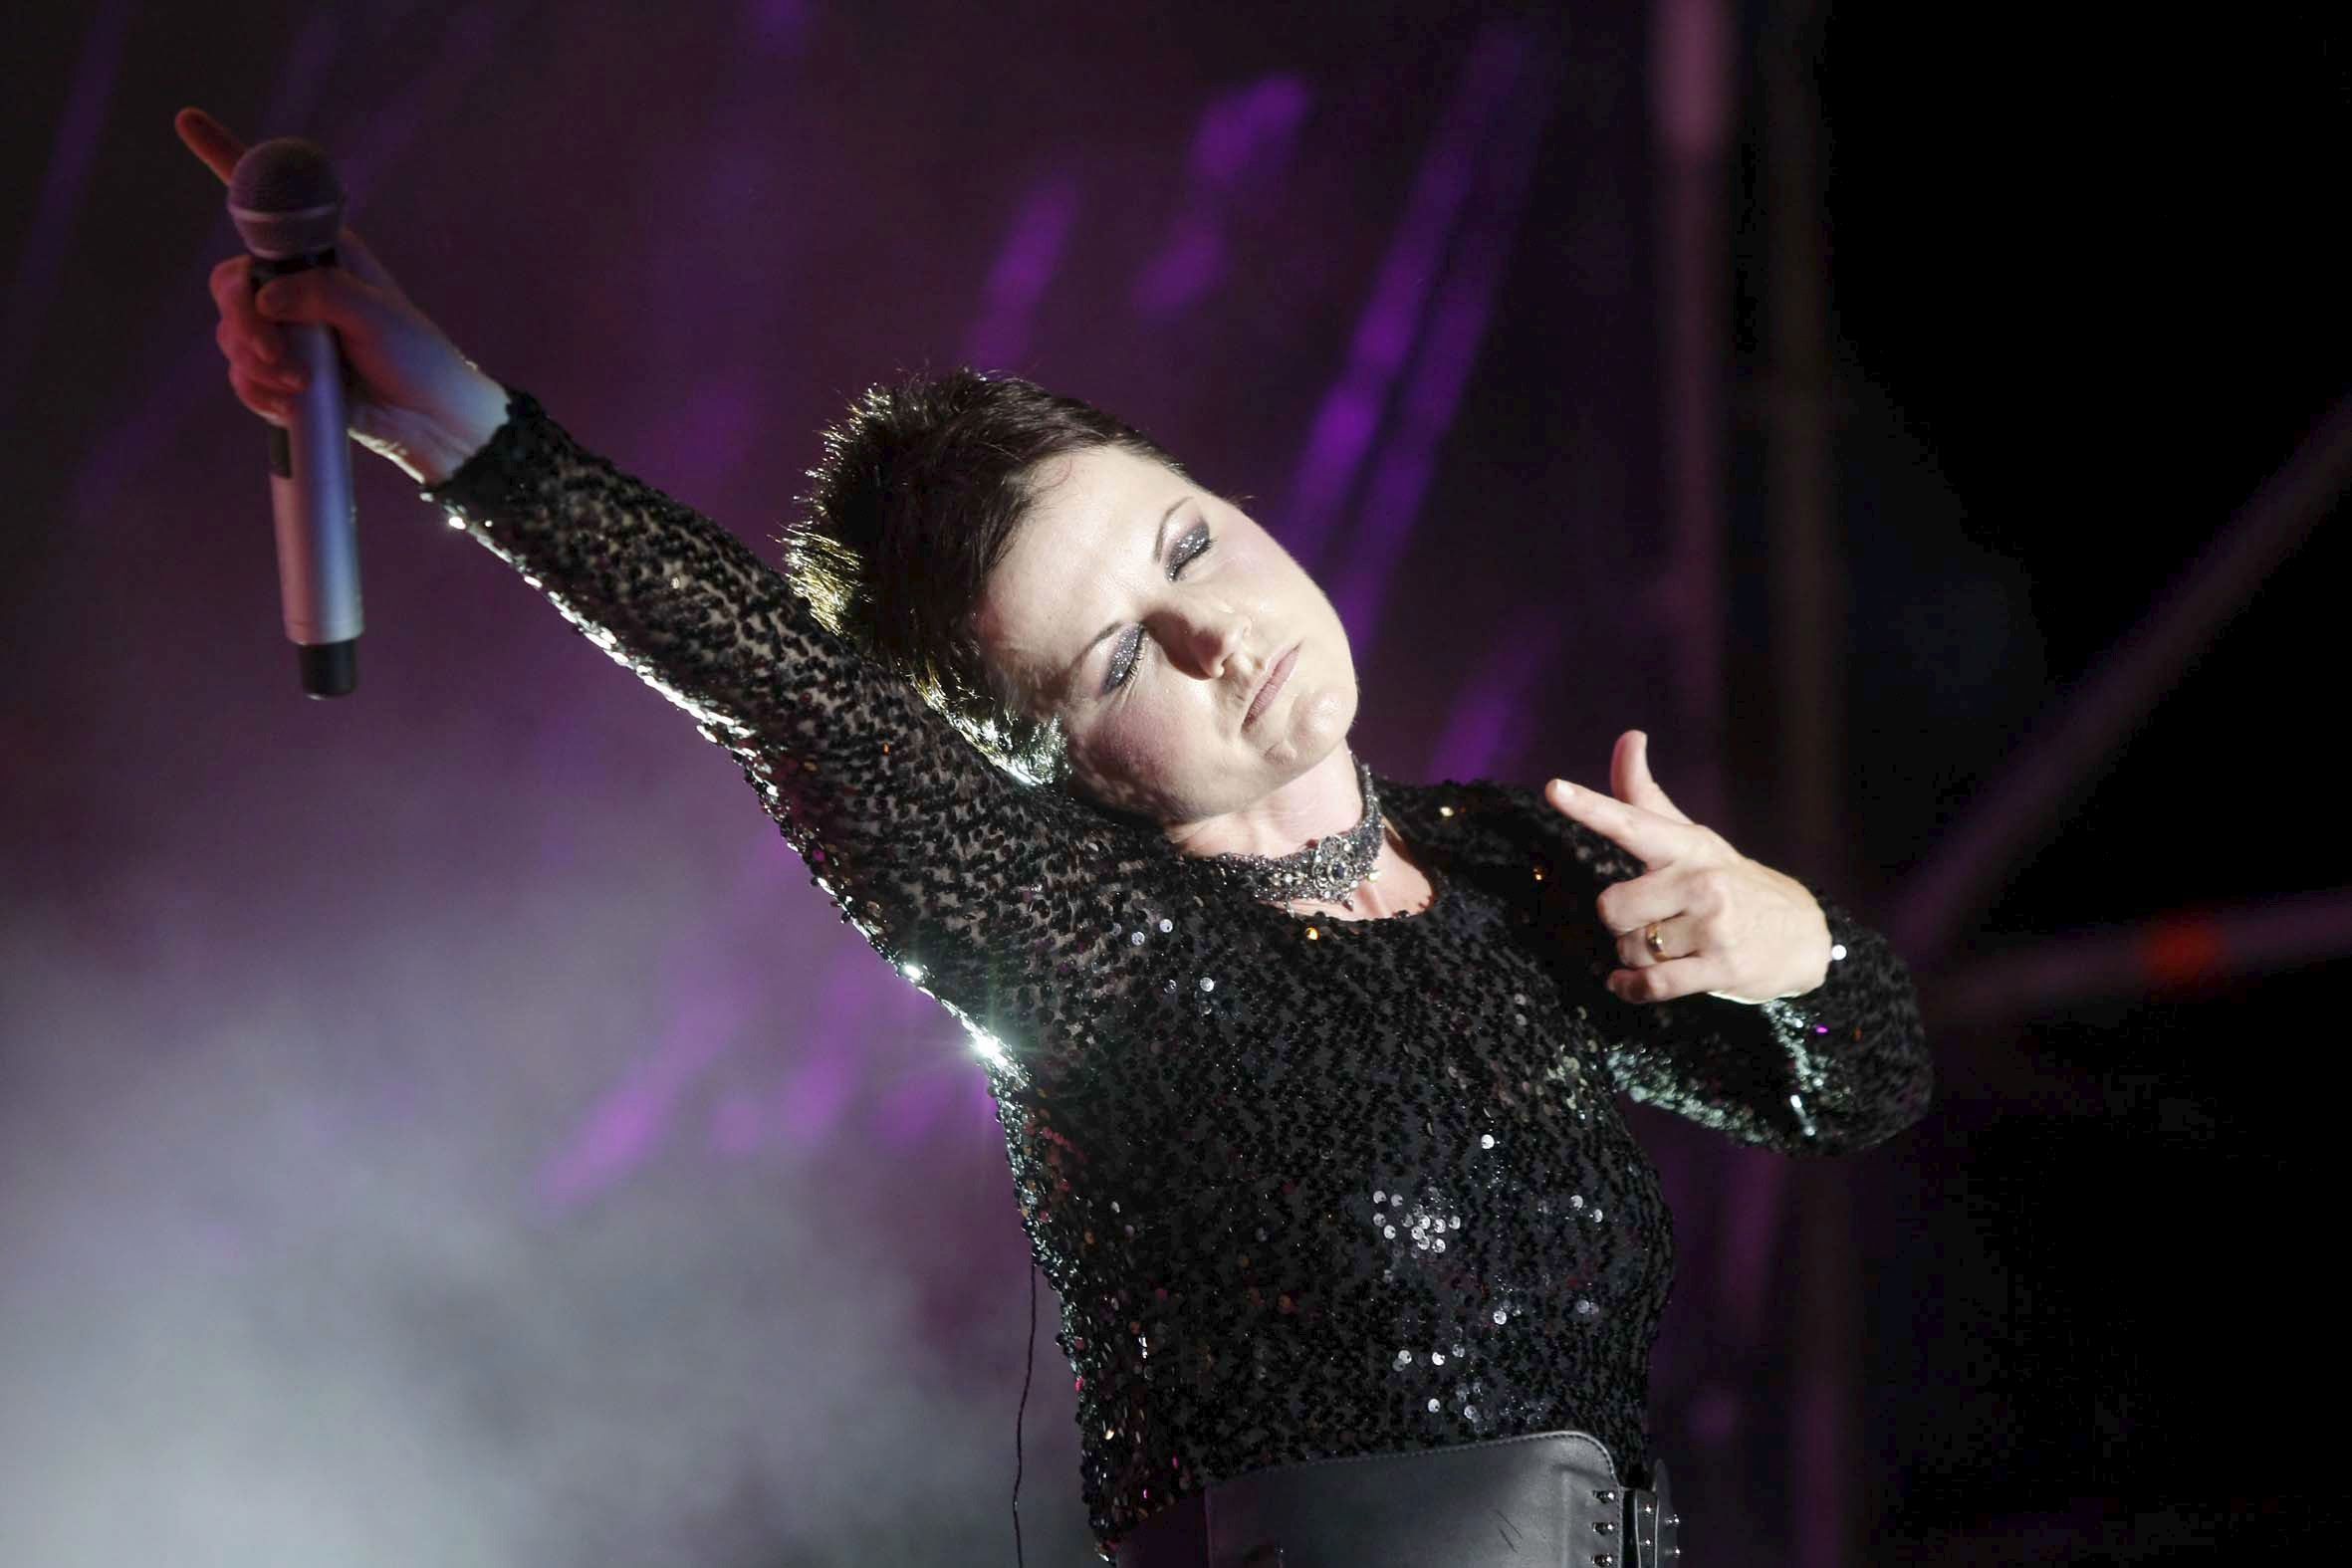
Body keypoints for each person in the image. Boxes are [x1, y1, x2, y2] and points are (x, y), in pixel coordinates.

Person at [180, 107, 1930, 1567]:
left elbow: (1854, 1093)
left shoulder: (1503, 864)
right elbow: (778, 681)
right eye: (1116, 660)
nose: (1216, 634)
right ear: (1057, 766)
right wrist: (447, 417)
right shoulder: (1087, 946)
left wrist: (1798, 952)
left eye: (1188, 547)